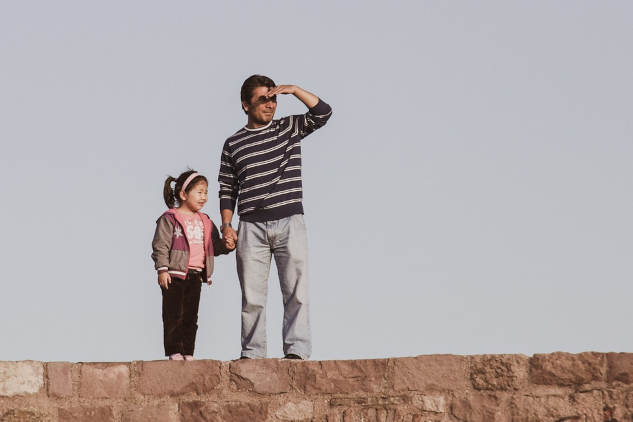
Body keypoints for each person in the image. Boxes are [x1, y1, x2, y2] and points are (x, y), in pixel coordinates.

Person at [218, 75, 333, 360]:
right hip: (250, 227)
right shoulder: (233, 143)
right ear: (245, 105)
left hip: (289, 221)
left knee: (296, 292)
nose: (270, 105)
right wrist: (227, 225)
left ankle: (297, 351)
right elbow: (226, 187)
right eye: (263, 99)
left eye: (274, 99)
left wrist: (294, 90)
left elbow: (323, 113)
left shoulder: (289, 127)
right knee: (252, 298)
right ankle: (252, 354)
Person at [152, 169, 235, 361]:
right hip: (174, 274)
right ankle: (175, 351)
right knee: (174, 315)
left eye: (206, 192)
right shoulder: (170, 218)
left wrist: (227, 245)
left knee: (191, 317)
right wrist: (162, 269)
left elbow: (214, 246)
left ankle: (188, 352)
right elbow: (160, 245)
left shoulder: (205, 221)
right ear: (183, 194)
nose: (204, 197)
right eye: (199, 192)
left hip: (196, 275)